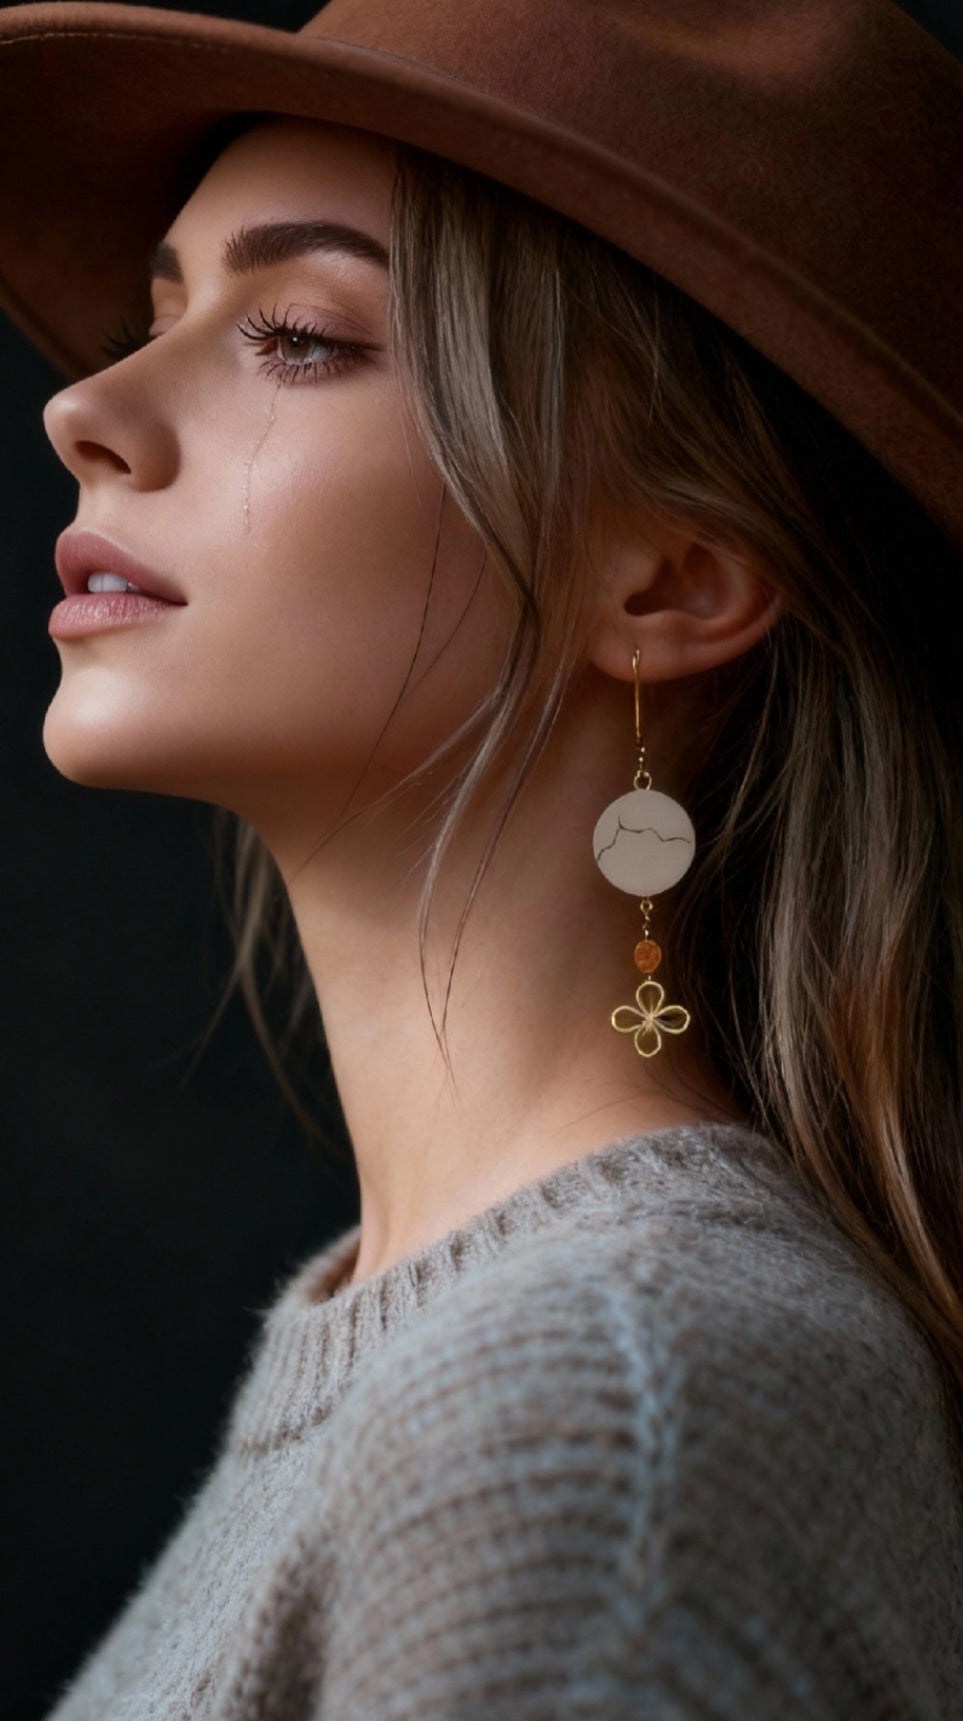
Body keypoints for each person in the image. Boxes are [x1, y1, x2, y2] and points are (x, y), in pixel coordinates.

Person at [1, 0, 962, 1714]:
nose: (88, 407)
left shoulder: (600, 1396)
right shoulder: (514, 1347)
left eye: (296, 335)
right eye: (158, 314)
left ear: (670, 578)